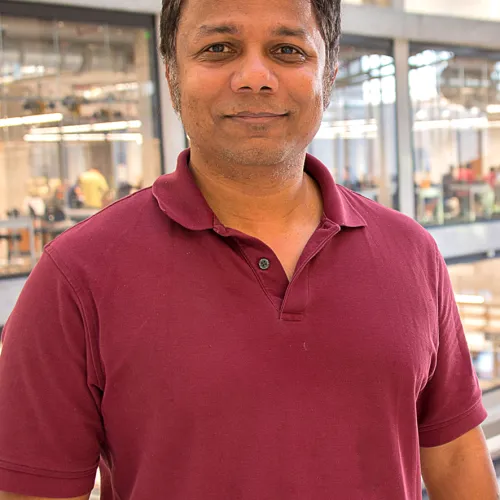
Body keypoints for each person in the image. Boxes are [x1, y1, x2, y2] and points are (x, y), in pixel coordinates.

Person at [0, 1, 497, 499]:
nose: (255, 76)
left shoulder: (411, 254)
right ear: (172, 75)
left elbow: (456, 458)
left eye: (287, 49)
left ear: (328, 74)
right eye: (219, 48)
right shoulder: (76, 276)